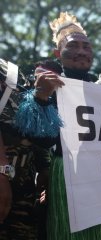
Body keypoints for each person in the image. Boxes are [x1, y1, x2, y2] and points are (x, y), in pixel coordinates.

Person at [16, 12, 101, 239]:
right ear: (58, 54)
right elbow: (41, 139)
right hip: (70, 176)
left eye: (87, 47)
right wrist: (41, 98)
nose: (81, 51)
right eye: (74, 46)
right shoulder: (47, 88)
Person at [0, 58, 52, 240]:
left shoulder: (12, 71)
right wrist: (2, 171)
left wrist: (44, 168)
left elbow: (32, 133)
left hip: (24, 192)